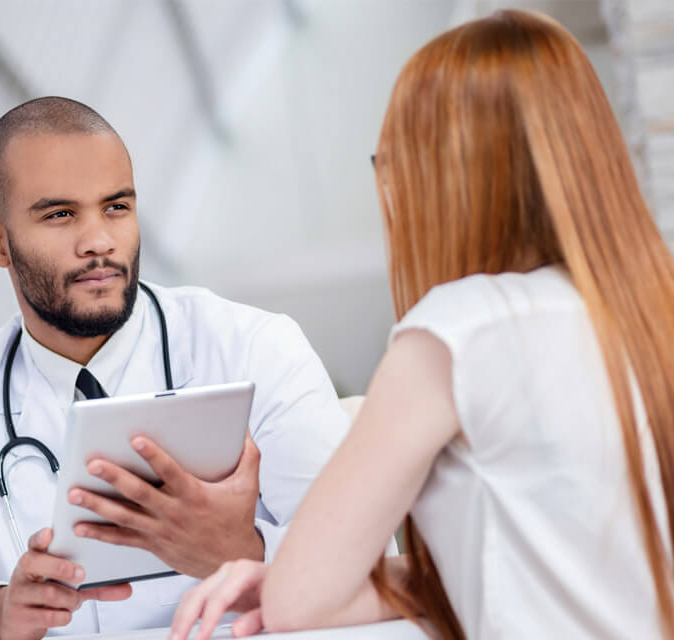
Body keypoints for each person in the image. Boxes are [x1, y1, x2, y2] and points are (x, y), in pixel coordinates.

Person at [170, 9, 674, 640]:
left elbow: (302, 598)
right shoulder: (653, 313)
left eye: (391, 161)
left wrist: (283, 571)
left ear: (444, 177)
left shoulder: (460, 333)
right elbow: (566, 570)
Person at [0, 97, 353, 639]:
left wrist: (242, 550)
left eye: (117, 207)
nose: (99, 241)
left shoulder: (254, 347)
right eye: (60, 214)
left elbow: (368, 558)